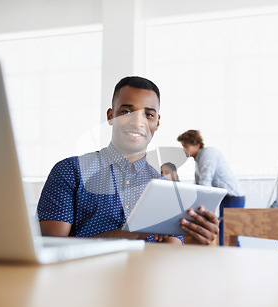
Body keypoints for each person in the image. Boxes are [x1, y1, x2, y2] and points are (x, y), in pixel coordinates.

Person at [37, 76, 220, 245]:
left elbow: (170, 259)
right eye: (126, 111)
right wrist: (132, 232)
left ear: (157, 122)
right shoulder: (70, 171)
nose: (137, 122)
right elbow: (53, 247)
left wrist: (196, 240)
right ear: (110, 116)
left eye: (148, 114)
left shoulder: (165, 188)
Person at [177, 129, 245, 245]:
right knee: (223, 238)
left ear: (197, 145)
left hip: (233, 198)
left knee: (228, 238)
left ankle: (233, 261)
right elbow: (199, 185)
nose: (184, 149)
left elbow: (205, 183)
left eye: (186, 146)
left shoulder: (208, 154)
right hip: (225, 198)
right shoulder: (198, 158)